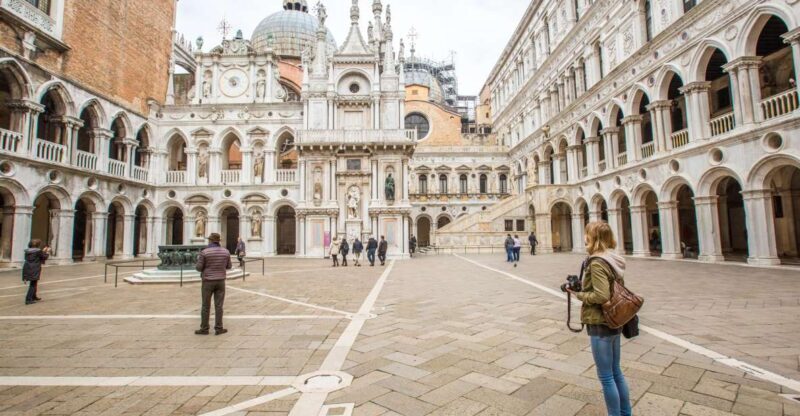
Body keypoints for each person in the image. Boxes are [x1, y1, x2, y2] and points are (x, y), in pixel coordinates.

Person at [566, 222, 631, 416]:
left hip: (600, 321)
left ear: (593, 238)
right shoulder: (612, 258)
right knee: (616, 372)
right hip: (614, 320)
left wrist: (578, 295)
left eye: (587, 234)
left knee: (606, 376)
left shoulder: (597, 262)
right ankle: (625, 413)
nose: (584, 237)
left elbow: (601, 296)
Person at [195, 233, 232, 336]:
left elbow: (198, 268)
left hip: (207, 281)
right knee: (219, 306)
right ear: (218, 241)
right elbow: (229, 266)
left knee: (205, 306)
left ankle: (204, 328)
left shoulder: (204, 252)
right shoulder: (226, 252)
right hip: (220, 281)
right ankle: (219, 328)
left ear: (210, 241)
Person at [22, 239, 49, 305]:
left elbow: (34, 257)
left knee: (34, 282)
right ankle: (28, 299)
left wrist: (42, 252)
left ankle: (33, 296)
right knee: (33, 284)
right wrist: (47, 252)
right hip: (34, 268)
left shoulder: (27, 251)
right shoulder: (38, 251)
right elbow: (44, 257)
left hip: (27, 267)